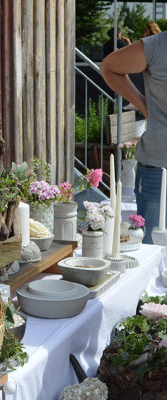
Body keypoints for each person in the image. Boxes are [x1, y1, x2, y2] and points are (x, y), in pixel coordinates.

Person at [100, 32, 167, 244]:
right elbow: (109, 67)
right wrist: (145, 107)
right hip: (158, 165)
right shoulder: (159, 45)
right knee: (153, 248)